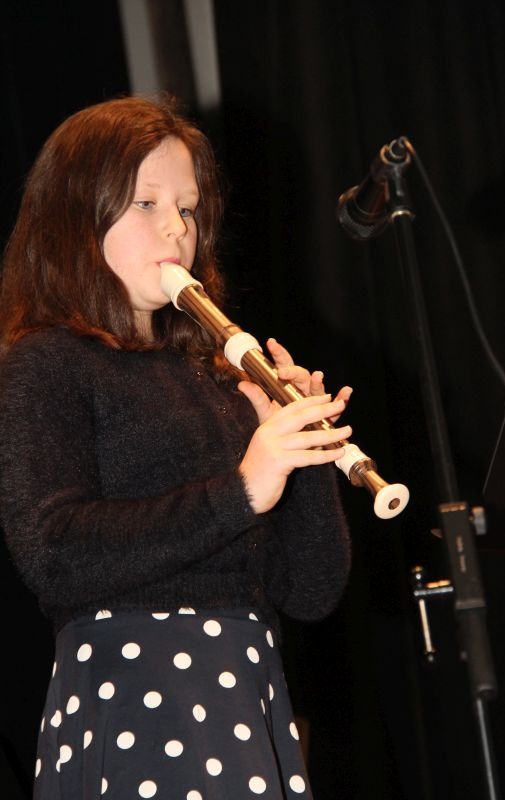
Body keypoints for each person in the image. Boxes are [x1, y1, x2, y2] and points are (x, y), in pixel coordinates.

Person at [0, 94, 352, 800]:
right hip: (136, 694)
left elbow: (311, 592)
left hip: (244, 692)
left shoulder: (214, 377)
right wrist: (243, 489)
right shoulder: (48, 360)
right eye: (146, 203)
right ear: (76, 215)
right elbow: (52, 552)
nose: (176, 228)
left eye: (187, 209)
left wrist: (302, 451)